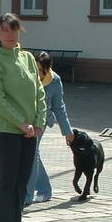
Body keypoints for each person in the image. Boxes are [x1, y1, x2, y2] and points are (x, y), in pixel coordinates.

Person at [0, 13, 46, 222]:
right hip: (6, 131)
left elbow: (39, 90)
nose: (10, 34)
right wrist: (20, 123)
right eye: (5, 30)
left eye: (14, 29)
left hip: (29, 131)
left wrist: (39, 121)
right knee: (7, 182)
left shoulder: (27, 58)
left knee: (22, 183)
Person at [25, 51, 75, 205]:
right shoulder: (26, 76)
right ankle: (45, 190)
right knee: (32, 154)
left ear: (48, 69)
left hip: (41, 121)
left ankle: (27, 196)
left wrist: (67, 131)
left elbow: (59, 107)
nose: (38, 73)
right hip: (25, 120)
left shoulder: (54, 81)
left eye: (41, 70)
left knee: (32, 153)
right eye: (36, 69)